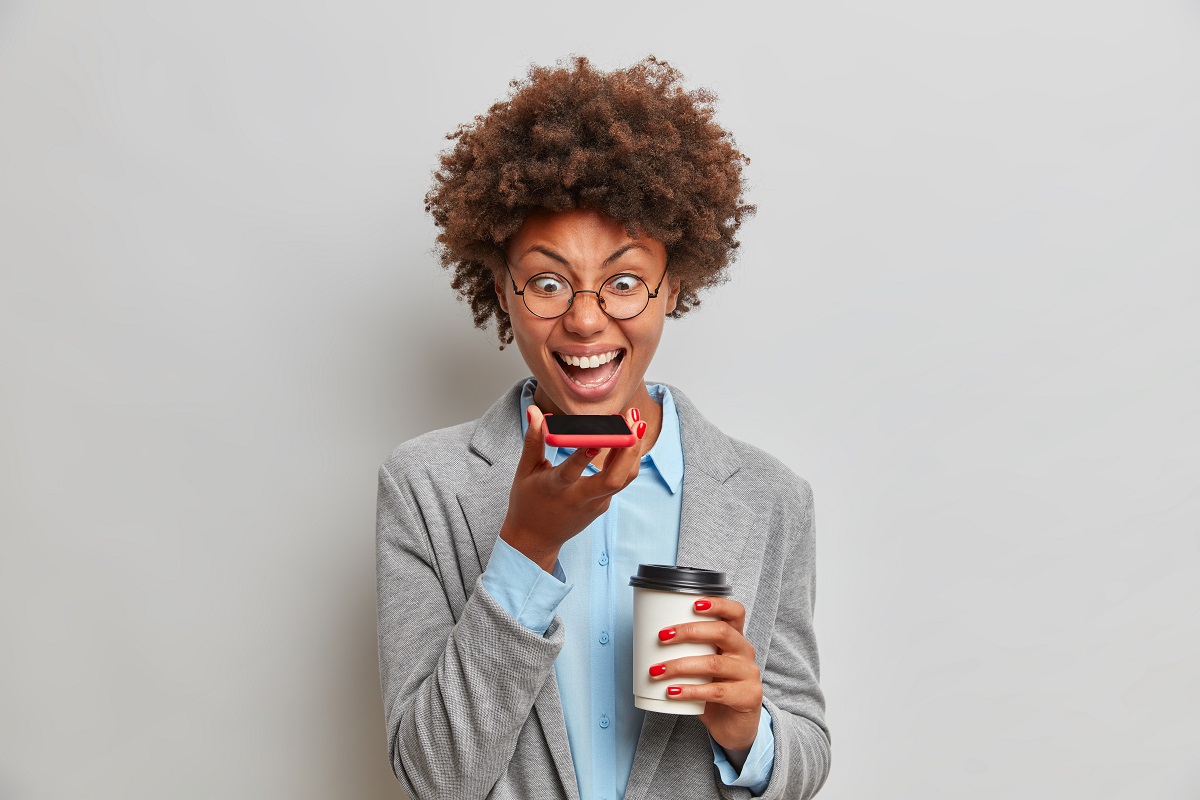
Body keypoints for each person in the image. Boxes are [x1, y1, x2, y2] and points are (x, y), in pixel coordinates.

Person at [376, 56, 830, 800]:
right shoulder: (426, 487)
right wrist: (525, 548)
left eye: (623, 281)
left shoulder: (770, 497)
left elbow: (807, 747)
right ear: (503, 290)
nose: (586, 319)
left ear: (671, 286)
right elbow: (434, 776)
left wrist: (750, 730)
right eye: (548, 283)